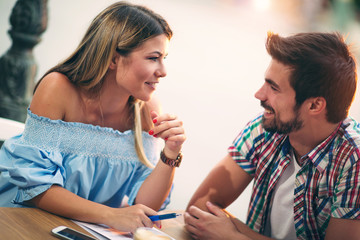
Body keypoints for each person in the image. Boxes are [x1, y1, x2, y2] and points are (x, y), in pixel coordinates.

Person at [0, 1, 186, 233]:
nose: (163, 71)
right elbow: (36, 188)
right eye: (153, 58)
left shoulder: (147, 109)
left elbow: (145, 207)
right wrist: (111, 215)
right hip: (19, 219)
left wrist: (171, 153)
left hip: (85, 229)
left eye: (164, 58)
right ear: (114, 59)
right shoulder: (57, 88)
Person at [184, 31, 360, 240]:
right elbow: (198, 211)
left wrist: (233, 237)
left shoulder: (353, 159)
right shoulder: (266, 128)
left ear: (314, 105)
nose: (259, 94)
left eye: (274, 88)